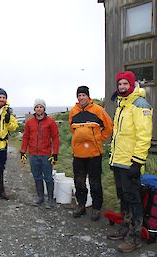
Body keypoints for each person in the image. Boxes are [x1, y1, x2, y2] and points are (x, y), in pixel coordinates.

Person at [107, 71, 153, 253]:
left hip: (130, 163)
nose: (122, 87)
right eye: (120, 84)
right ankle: (125, 228)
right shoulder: (121, 105)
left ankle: (135, 238)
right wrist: (112, 158)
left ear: (132, 85)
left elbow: (144, 136)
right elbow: (117, 136)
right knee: (123, 197)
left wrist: (137, 162)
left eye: (126, 84)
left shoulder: (140, 105)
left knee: (133, 200)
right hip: (118, 161)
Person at [69, 86, 113, 221]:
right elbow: (72, 129)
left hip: (94, 153)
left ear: (88, 96)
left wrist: (98, 138)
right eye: (79, 96)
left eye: (83, 95)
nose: (81, 98)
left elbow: (109, 126)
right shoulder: (73, 111)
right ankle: (81, 205)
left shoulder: (98, 110)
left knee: (95, 182)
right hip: (78, 154)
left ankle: (96, 208)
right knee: (79, 181)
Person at [20, 99, 59, 208]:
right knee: (37, 176)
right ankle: (40, 197)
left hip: (46, 155)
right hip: (33, 154)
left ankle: (51, 199)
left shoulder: (50, 122)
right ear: (34, 109)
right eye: (37, 107)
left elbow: (55, 138)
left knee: (48, 177)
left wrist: (55, 153)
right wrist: (23, 151)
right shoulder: (29, 123)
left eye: (41, 107)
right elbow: (26, 137)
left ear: (44, 108)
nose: (39, 109)